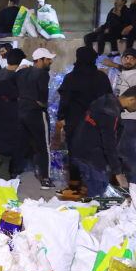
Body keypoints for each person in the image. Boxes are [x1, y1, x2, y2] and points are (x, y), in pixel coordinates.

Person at [57, 46, 114, 194]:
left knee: (75, 153)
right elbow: (109, 100)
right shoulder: (102, 77)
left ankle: (75, 184)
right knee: (95, 153)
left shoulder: (71, 78)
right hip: (97, 122)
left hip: (75, 122)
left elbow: (65, 101)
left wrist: (61, 117)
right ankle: (93, 185)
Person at [70, 88, 136, 196]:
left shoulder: (105, 100)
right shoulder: (110, 112)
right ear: (132, 100)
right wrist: (118, 172)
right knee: (97, 198)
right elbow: (109, 143)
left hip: (80, 152)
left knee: (88, 195)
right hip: (91, 159)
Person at [16, 47, 55, 189]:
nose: (50, 62)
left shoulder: (21, 72)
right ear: (40, 60)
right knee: (43, 145)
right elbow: (43, 95)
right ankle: (45, 178)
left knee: (21, 144)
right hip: (36, 113)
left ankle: (15, 174)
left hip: (21, 111)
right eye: (48, 59)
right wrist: (41, 103)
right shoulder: (42, 74)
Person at [111, 49, 136, 181]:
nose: (129, 61)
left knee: (128, 154)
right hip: (121, 119)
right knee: (121, 152)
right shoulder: (120, 74)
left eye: (132, 58)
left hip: (131, 120)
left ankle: (133, 185)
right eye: (126, 58)